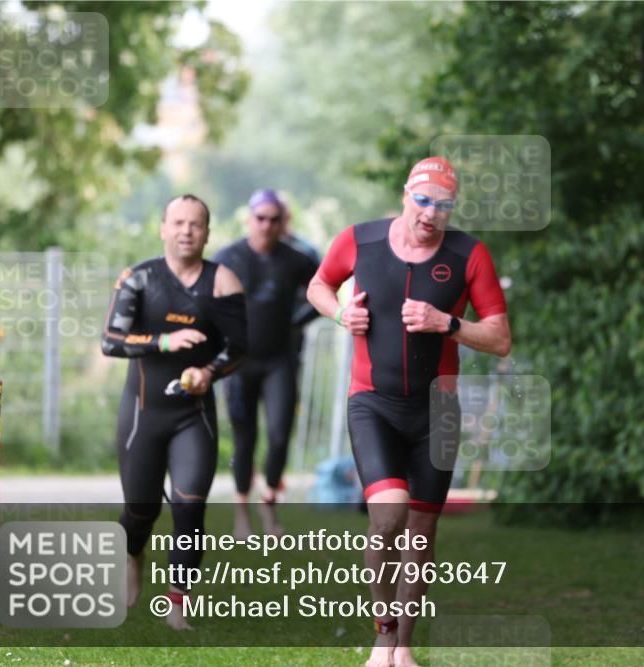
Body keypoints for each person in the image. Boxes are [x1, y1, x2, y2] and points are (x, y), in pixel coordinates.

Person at [307, 157, 511, 667]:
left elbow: (501, 339)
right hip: (372, 402)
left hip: (436, 410)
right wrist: (339, 312)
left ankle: (404, 647)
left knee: (421, 535)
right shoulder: (359, 240)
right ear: (405, 195)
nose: (431, 214)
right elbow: (318, 285)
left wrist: (448, 323)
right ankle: (383, 633)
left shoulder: (470, 254)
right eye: (423, 201)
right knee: (388, 516)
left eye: (443, 206)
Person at [101, 194, 247, 630]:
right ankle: (132, 553)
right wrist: (163, 342)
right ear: (163, 228)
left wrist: (209, 371)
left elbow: (239, 349)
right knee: (140, 510)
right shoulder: (139, 278)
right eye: (178, 223)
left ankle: (177, 605)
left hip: (193, 415)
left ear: (207, 232)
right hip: (143, 413)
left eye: (196, 224)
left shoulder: (223, 282)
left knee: (189, 505)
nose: (186, 231)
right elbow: (110, 341)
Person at [213, 189, 319, 536]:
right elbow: (206, 301)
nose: (267, 225)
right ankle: (242, 511)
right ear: (250, 219)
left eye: (275, 219)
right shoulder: (228, 257)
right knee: (245, 439)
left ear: (283, 222)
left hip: (279, 362)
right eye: (261, 218)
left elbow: (323, 291)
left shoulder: (295, 260)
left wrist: (296, 321)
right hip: (240, 363)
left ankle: (269, 506)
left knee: (278, 436)